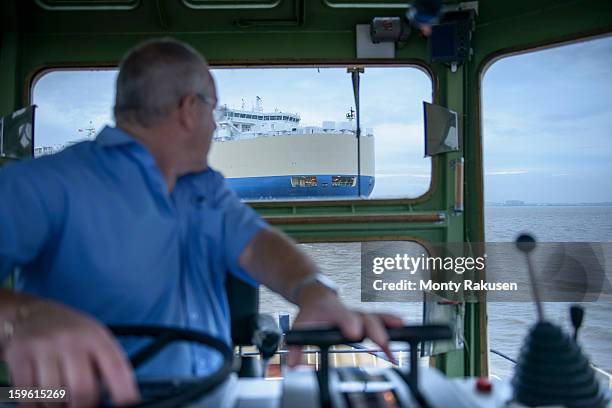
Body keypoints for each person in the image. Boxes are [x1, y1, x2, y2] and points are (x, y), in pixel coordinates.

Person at [0, 38, 402, 407]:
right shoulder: (42, 185)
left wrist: (316, 291)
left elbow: (260, 245)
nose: (214, 123)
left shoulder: (206, 191)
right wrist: (24, 316)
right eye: (214, 108)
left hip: (216, 393)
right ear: (191, 110)